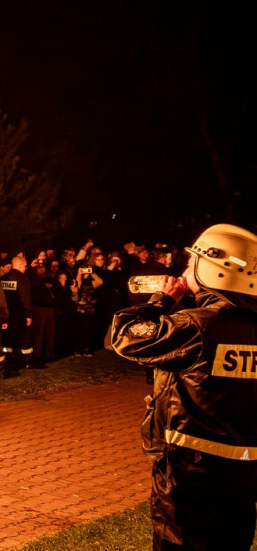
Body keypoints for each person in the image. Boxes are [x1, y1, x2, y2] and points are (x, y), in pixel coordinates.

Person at [110, 224, 257, 551]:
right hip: (245, 476)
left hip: (189, 475)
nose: (184, 271)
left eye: (192, 265)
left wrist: (163, 298)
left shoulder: (196, 325)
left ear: (214, 271)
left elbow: (124, 335)